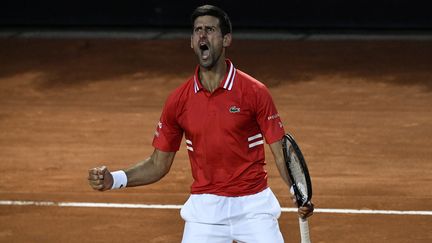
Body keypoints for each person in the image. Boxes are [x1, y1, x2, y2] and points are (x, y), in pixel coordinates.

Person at [88, 4, 314, 243]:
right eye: (197, 30)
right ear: (192, 42)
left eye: (210, 29)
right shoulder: (178, 100)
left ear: (226, 39)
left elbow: (282, 154)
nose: (202, 35)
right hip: (205, 211)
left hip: (254, 208)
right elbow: (158, 163)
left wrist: (297, 191)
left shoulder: (255, 92)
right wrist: (115, 180)